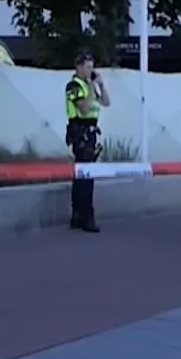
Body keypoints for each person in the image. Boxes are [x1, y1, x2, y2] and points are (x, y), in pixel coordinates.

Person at [64, 50, 112, 232]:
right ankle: (86, 216)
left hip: (91, 132)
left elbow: (106, 102)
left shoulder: (90, 85)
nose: (91, 71)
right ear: (79, 67)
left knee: (84, 175)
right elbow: (83, 108)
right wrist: (92, 87)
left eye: (93, 67)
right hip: (80, 132)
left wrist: (101, 85)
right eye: (88, 67)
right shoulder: (73, 86)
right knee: (85, 176)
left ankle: (78, 215)